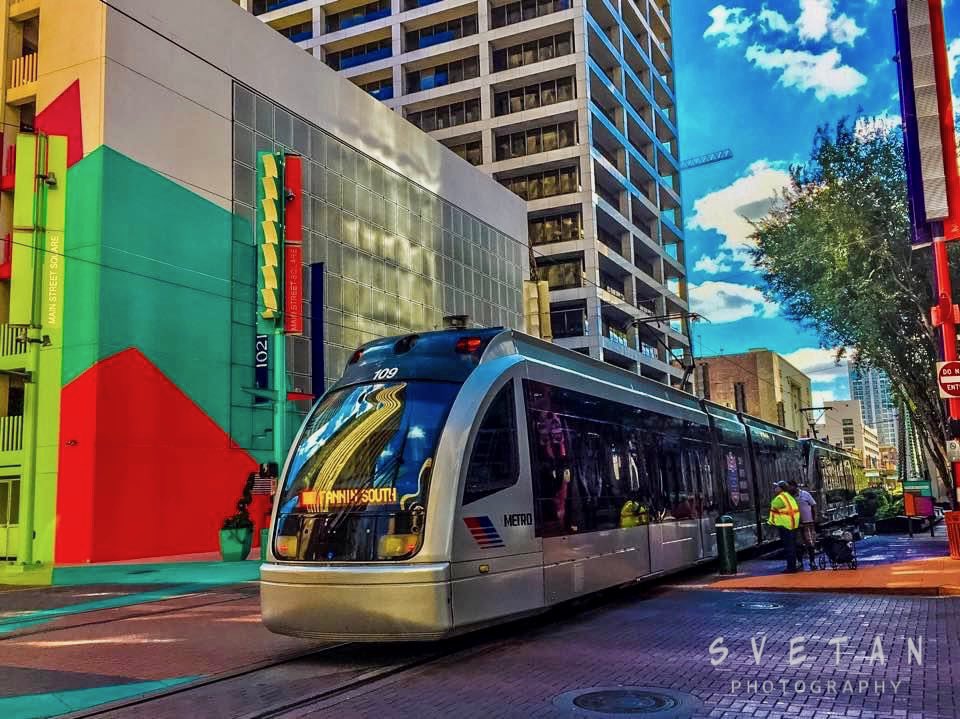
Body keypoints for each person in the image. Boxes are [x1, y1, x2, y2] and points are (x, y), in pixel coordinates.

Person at [768, 480, 800, 573]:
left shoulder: (780, 498)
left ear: (781, 489)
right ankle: (793, 566)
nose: (775, 489)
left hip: (785, 525)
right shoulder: (789, 497)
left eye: (777, 487)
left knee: (789, 547)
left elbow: (773, 505)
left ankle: (791, 568)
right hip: (792, 525)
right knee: (792, 546)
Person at [789, 479, 817, 571]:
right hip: (796, 524)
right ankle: (800, 562)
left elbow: (813, 505)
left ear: (795, 486)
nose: (789, 489)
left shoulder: (805, 494)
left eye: (790, 487)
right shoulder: (789, 497)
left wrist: (813, 518)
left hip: (807, 522)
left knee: (810, 543)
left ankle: (812, 562)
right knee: (798, 544)